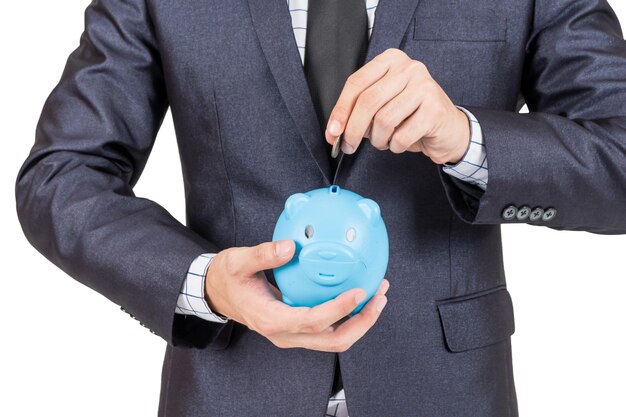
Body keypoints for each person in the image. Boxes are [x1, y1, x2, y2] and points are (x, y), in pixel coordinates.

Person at [14, 0, 626, 416]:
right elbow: (62, 175)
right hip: (230, 391)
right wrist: (204, 285)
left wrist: (465, 138)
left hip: (448, 392)